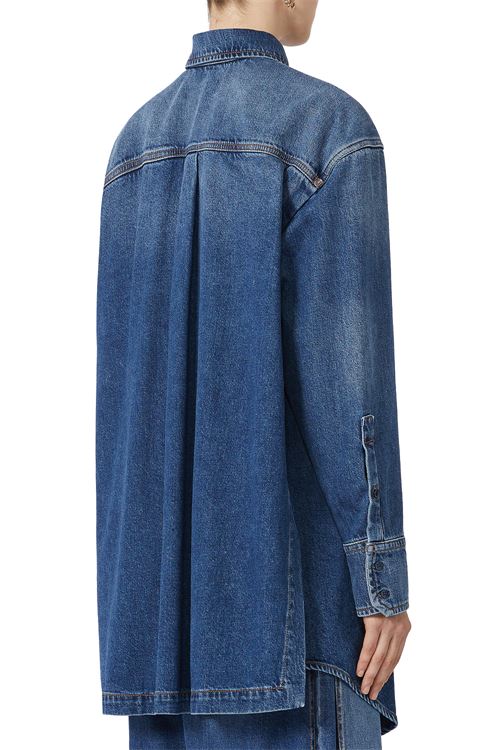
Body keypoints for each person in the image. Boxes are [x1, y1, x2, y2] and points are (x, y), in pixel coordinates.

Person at [95, 1, 412, 747]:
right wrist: (381, 579)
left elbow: (121, 413)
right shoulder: (327, 129)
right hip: (297, 635)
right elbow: (352, 378)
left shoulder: (133, 146)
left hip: (157, 652)